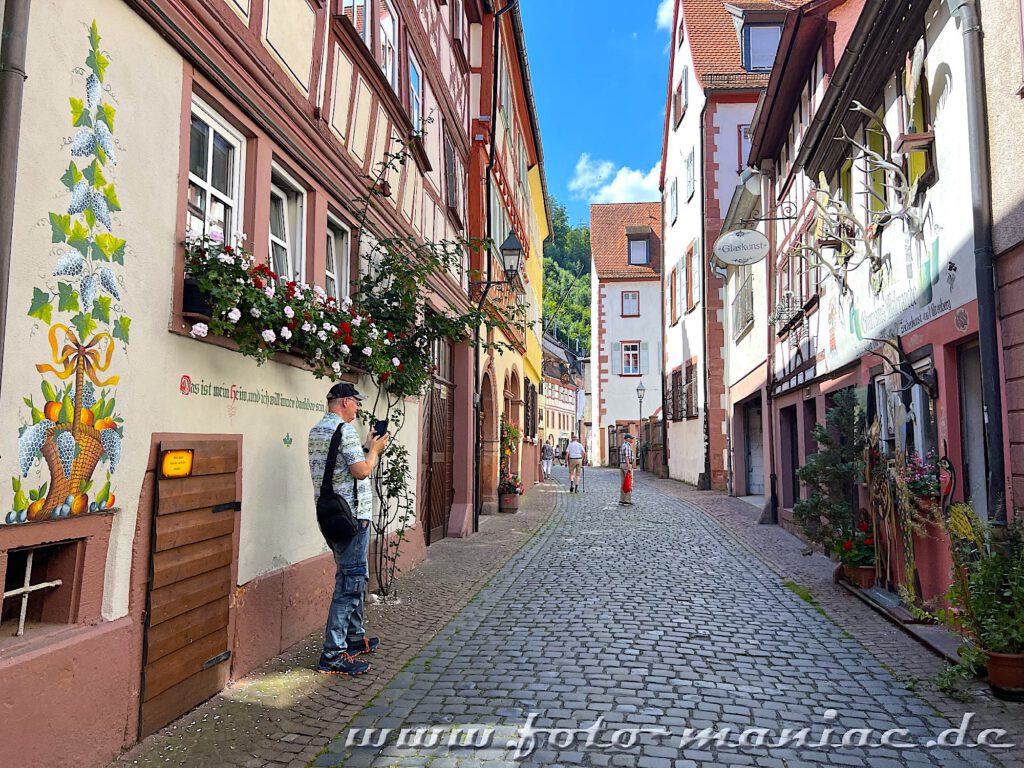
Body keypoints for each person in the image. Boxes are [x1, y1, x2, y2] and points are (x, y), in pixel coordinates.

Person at [308, 382, 389, 676]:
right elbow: (361, 470)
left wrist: (366, 447)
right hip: (352, 516)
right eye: (355, 402)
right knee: (350, 582)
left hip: (331, 516)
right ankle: (333, 653)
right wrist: (376, 451)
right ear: (343, 402)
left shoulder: (317, 430)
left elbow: (339, 466)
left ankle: (354, 639)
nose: (357, 407)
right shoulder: (345, 431)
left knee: (353, 573)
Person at [619, 434, 636, 506]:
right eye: (631, 438)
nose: (632, 440)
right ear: (627, 439)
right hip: (626, 465)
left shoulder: (623, 445)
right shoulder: (627, 446)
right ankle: (627, 500)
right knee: (629, 482)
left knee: (623, 482)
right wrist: (629, 465)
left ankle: (622, 499)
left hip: (622, 464)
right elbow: (627, 456)